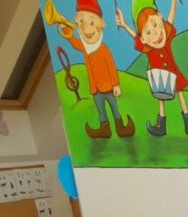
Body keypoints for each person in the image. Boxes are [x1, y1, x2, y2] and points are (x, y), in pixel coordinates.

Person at [114, 0, 188, 137]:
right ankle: (161, 126)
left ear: (159, 16)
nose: (156, 33)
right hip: (159, 76)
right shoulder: (148, 48)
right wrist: (124, 25)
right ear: (143, 39)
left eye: (155, 24)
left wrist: (174, 3)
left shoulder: (167, 36)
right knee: (161, 96)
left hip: (173, 73)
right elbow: (135, 36)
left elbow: (170, 20)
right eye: (148, 32)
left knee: (180, 93)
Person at [57, 0, 135, 139]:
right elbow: (74, 42)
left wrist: (116, 85)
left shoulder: (104, 50)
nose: (86, 28)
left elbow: (111, 67)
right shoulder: (85, 47)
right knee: (101, 110)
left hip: (108, 88)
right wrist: (65, 28)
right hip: (96, 89)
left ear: (101, 24)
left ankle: (121, 127)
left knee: (114, 108)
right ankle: (105, 129)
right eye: (81, 21)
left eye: (92, 22)